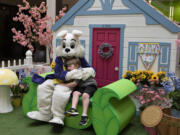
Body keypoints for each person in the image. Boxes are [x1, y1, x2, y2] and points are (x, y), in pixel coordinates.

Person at [61, 58, 97, 126]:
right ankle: (73, 109)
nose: (68, 68)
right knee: (75, 93)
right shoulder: (74, 72)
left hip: (90, 85)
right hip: (82, 86)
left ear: (76, 66)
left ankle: (84, 116)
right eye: (67, 66)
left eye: (70, 66)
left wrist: (63, 85)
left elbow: (74, 84)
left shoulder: (79, 72)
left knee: (85, 95)